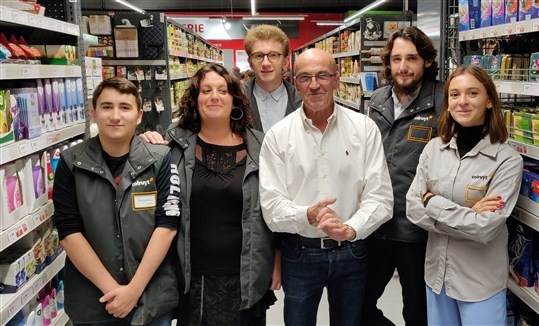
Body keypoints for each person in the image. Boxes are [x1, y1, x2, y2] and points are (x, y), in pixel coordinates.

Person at [259, 48, 394, 326]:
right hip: (299, 253)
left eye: (323, 75)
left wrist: (350, 229)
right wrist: (307, 214)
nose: (315, 84)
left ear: (336, 80)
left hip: (352, 251)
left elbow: (380, 198)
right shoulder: (278, 136)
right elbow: (271, 208)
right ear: (295, 83)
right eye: (305, 77)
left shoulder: (364, 129)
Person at [52, 77, 180, 325]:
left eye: (125, 107)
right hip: (94, 301)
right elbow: (69, 231)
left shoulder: (161, 159)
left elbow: (167, 225)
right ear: (93, 113)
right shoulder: (70, 163)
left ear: (139, 115)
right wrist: (113, 291)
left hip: (150, 298)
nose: (115, 116)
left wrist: (133, 291)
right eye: (107, 107)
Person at [159, 63, 277, 325]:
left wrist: (276, 259)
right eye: (206, 90)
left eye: (222, 90)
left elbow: (274, 207)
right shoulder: (173, 144)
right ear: (195, 99)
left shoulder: (261, 145)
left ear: (234, 98)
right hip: (193, 274)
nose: (214, 96)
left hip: (246, 273)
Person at [405, 66, 523, 325]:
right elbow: (412, 208)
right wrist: (468, 216)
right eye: (455, 95)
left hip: (479, 283)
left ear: (489, 100)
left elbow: (485, 229)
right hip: (437, 276)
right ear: (447, 103)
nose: (463, 102)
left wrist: (431, 202)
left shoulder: (507, 160)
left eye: (472, 93)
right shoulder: (434, 148)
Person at [361, 26, 445, 326]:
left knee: (418, 312)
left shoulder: (443, 100)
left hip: (416, 230)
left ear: (426, 62)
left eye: (411, 58)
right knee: (357, 306)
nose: (403, 67)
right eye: (396, 59)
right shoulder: (379, 98)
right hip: (376, 223)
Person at [243, 24, 302, 132]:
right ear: (250, 63)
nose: (266, 63)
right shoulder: (236, 99)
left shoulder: (302, 101)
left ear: (285, 62)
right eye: (259, 56)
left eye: (273, 55)